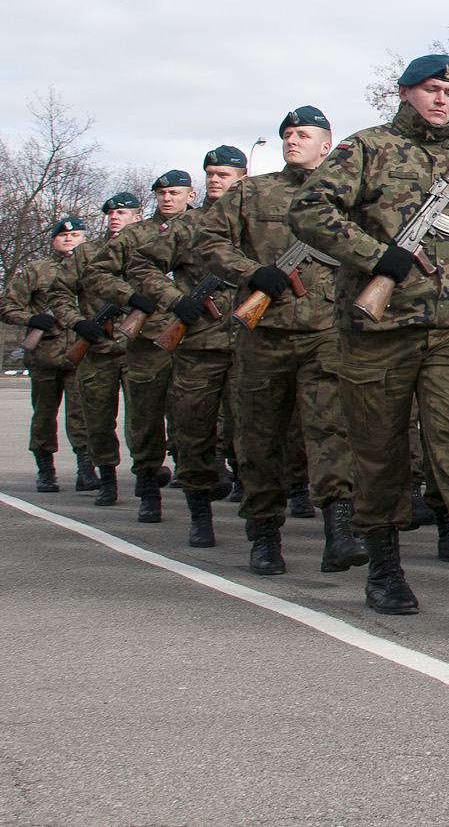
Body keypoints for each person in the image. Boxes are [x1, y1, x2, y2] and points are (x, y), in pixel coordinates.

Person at [291, 54, 449, 614]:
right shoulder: (367, 148)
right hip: (382, 330)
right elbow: (308, 209)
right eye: (430, 89)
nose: (442, 98)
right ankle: (385, 570)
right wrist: (378, 256)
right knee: (380, 452)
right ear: (404, 93)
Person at [192, 108, 364, 573]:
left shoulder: (350, 196)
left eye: (302, 135)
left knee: (331, 430)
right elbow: (207, 242)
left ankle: (340, 531)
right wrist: (252, 273)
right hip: (263, 333)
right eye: (287, 134)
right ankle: (265, 535)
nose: (291, 141)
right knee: (258, 438)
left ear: (326, 145)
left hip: (328, 330)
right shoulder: (251, 192)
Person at [132, 145, 249, 547]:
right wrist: (173, 299)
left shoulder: (262, 221)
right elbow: (141, 266)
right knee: (193, 431)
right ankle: (200, 512)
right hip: (199, 343)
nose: (216, 180)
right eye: (211, 174)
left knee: (253, 433)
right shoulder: (186, 227)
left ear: (243, 178)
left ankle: (262, 523)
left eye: (225, 174)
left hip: (254, 344)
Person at [83, 171, 195, 517]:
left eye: (174, 192)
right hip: (148, 338)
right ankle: (148, 485)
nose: (166, 198)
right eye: (161, 192)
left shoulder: (208, 228)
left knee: (193, 414)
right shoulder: (136, 234)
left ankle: (198, 488)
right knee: (144, 416)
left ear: (190, 195)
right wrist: (130, 296)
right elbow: (95, 273)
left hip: (196, 336)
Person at [3, 218, 92, 494]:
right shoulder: (36, 270)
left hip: (82, 353)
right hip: (45, 355)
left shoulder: (94, 268)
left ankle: (86, 470)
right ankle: (45, 471)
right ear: (53, 240)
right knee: (43, 416)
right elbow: (6, 305)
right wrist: (32, 319)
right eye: (63, 235)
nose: (69, 239)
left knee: (83, 415)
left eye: (76, 235)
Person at [59, 199, 135, 503]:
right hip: (97, 348)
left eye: (121, 213)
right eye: (110, 213)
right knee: (98, 420)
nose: (114, 217)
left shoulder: (150, 247)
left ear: (136, 216)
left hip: (137, 349)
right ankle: (106, 479)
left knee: (143, 420)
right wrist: (77, 323)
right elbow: (60, 292)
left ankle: (147, 479)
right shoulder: (86, 253)